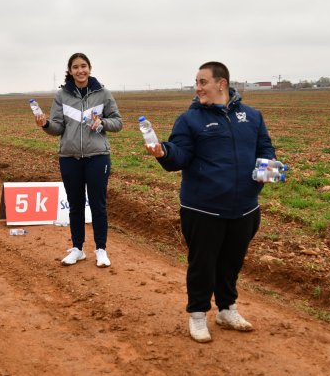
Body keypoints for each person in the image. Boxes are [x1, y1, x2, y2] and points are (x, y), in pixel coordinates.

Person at [145, 61, 276, 343]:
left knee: (231, 262)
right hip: (202, 208)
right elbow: (179, 155)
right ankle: (198, 315)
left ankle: (227, 310)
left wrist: (266, 174)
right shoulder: (189, 119)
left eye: (202, 82)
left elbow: (265, 147)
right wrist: (163, 152)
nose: (198, 88)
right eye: (196, 82)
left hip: (245, 206)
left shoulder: (252, 116)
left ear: (222, 84)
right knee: (202, 264)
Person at [35, 52, 123, 268]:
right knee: (75, 205)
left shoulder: (103, 94)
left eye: (84, 66)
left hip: (98, 157)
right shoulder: (62, 96)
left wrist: (102, 122)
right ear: (70, 71)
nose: (80, 70)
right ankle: (78, 249)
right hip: (69, 158)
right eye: (75, 67)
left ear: (89, 68)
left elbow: (118, 122)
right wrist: (46, 124)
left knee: (98, 205)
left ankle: (101, 250)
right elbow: (57, 128)